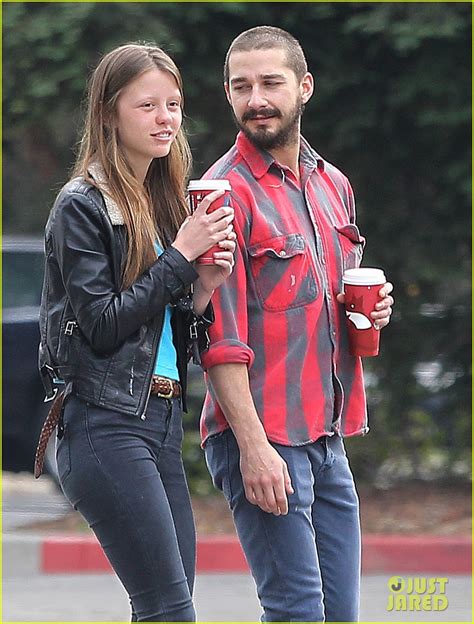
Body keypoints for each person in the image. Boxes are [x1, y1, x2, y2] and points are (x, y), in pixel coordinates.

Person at [199, 26, 394, 622]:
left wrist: (374, 309)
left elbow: (334, 300)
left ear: (304, 88)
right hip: (262, 437)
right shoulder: (223, 194)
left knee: (341, 614)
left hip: (326, 435)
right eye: (242, 86)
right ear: (229, 96)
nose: (256, 98)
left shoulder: (334, 185)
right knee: (297, 612)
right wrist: (253, 449)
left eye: (270, 83)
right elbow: (221, 341)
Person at [36, 43, 235, 622]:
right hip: (103, 424)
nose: (166, 117)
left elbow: (167, 338)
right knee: (170, 611)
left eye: (173, 104)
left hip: (160, 423)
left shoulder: (163, 201)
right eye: (147, 105)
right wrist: (179, 256)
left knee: (167, 608)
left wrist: (202, 286)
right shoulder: (82, 205)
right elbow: (100, 326)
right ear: (108, 114)